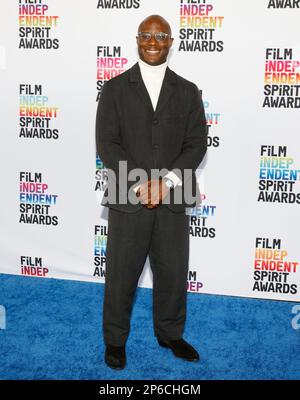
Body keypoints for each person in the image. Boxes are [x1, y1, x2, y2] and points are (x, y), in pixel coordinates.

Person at [95, 14, 207, 370]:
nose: (153, 41)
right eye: (147, 35)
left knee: (173, 272)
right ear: (137, 39)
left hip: (173, 198)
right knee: (121, 275)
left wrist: (167, 182)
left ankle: (170, 334)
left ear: (171, 41)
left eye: (161, 36)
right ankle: (115, 340)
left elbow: (196, 144)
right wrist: (141, 183)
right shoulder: (113, 89)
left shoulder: (188, 91)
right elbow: (107, 144)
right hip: (129, 198)